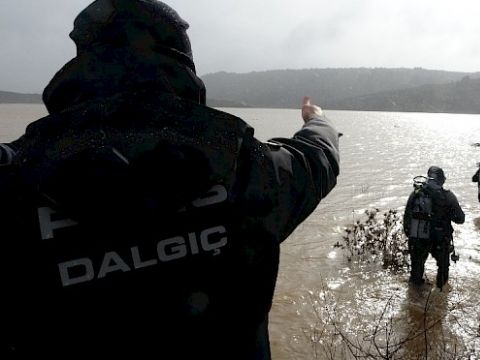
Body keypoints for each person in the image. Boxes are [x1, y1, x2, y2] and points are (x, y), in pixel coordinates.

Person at [0, 0, 339, 358]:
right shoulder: (246, 168)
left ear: (83, 60)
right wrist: (318, 119)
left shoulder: (15, 177)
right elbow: (317, 158)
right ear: (183, 65)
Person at [403, 166, 465, 289]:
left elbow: (407, 218)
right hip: (440, 239)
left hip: (418, 238)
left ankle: (415, 298)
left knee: (416, 272)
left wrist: (412, 237)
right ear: (442, 180)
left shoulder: (415, 194)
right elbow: (460, 219)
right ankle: (441, 297)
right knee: (442, 270)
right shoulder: (448, 196)